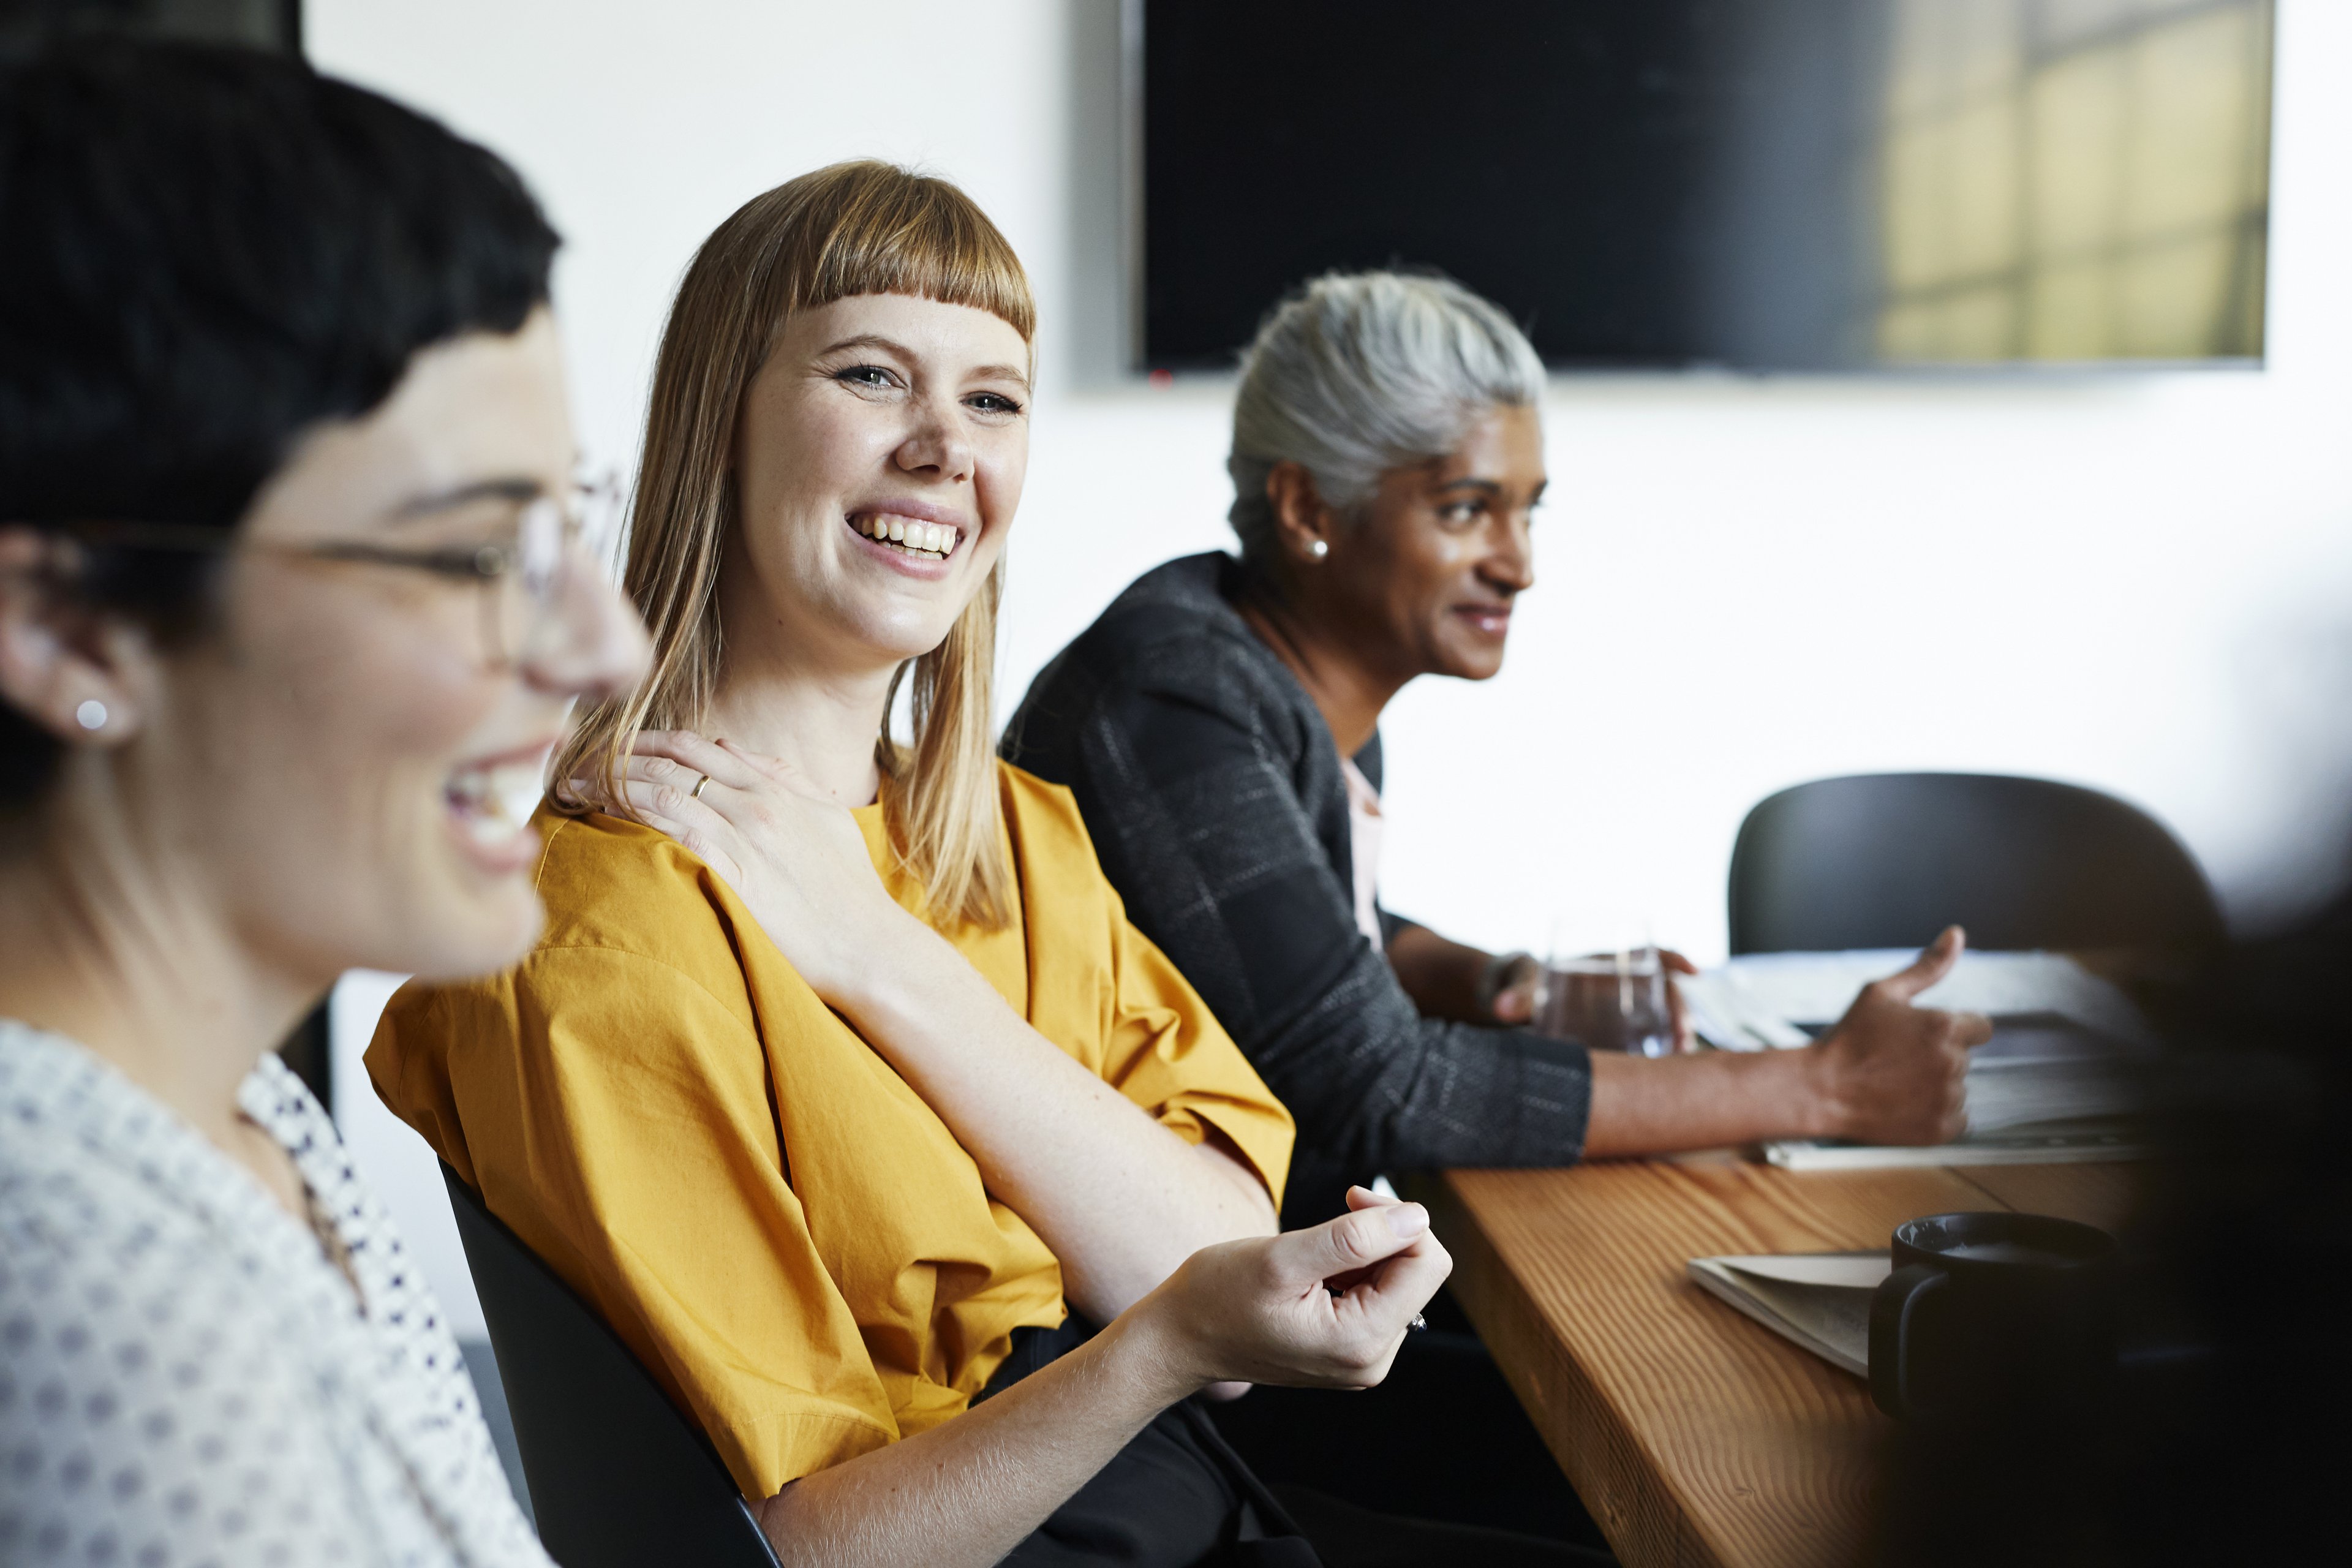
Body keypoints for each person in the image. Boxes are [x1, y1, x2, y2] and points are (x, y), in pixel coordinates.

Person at [366, 164, 1572, 1568]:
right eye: (874, 376)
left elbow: (1217, 1238)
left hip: (1195, 1499)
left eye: (992, 398)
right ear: (723, 425)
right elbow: (810, 1549)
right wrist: (1165, 1341)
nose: (947, 449)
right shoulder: (601, 937)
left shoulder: (1008, 829)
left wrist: (881, 961)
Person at [0, 41, 649, 1567]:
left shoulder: (239, 1113)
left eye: (566, 523)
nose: (604, 648)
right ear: (72, 628)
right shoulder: (89, 1294)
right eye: (474, 554)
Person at [1003, 270, 1994, 1232]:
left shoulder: (1270, 678)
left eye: (1528, 509)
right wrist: (1819, 1085)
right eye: (1465, 509)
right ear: (1308, 510)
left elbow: (1301, 946)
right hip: (1156, 1358)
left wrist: (1500, 983)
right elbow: (1375, 1087)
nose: (1519, 564)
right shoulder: (1177, 702)